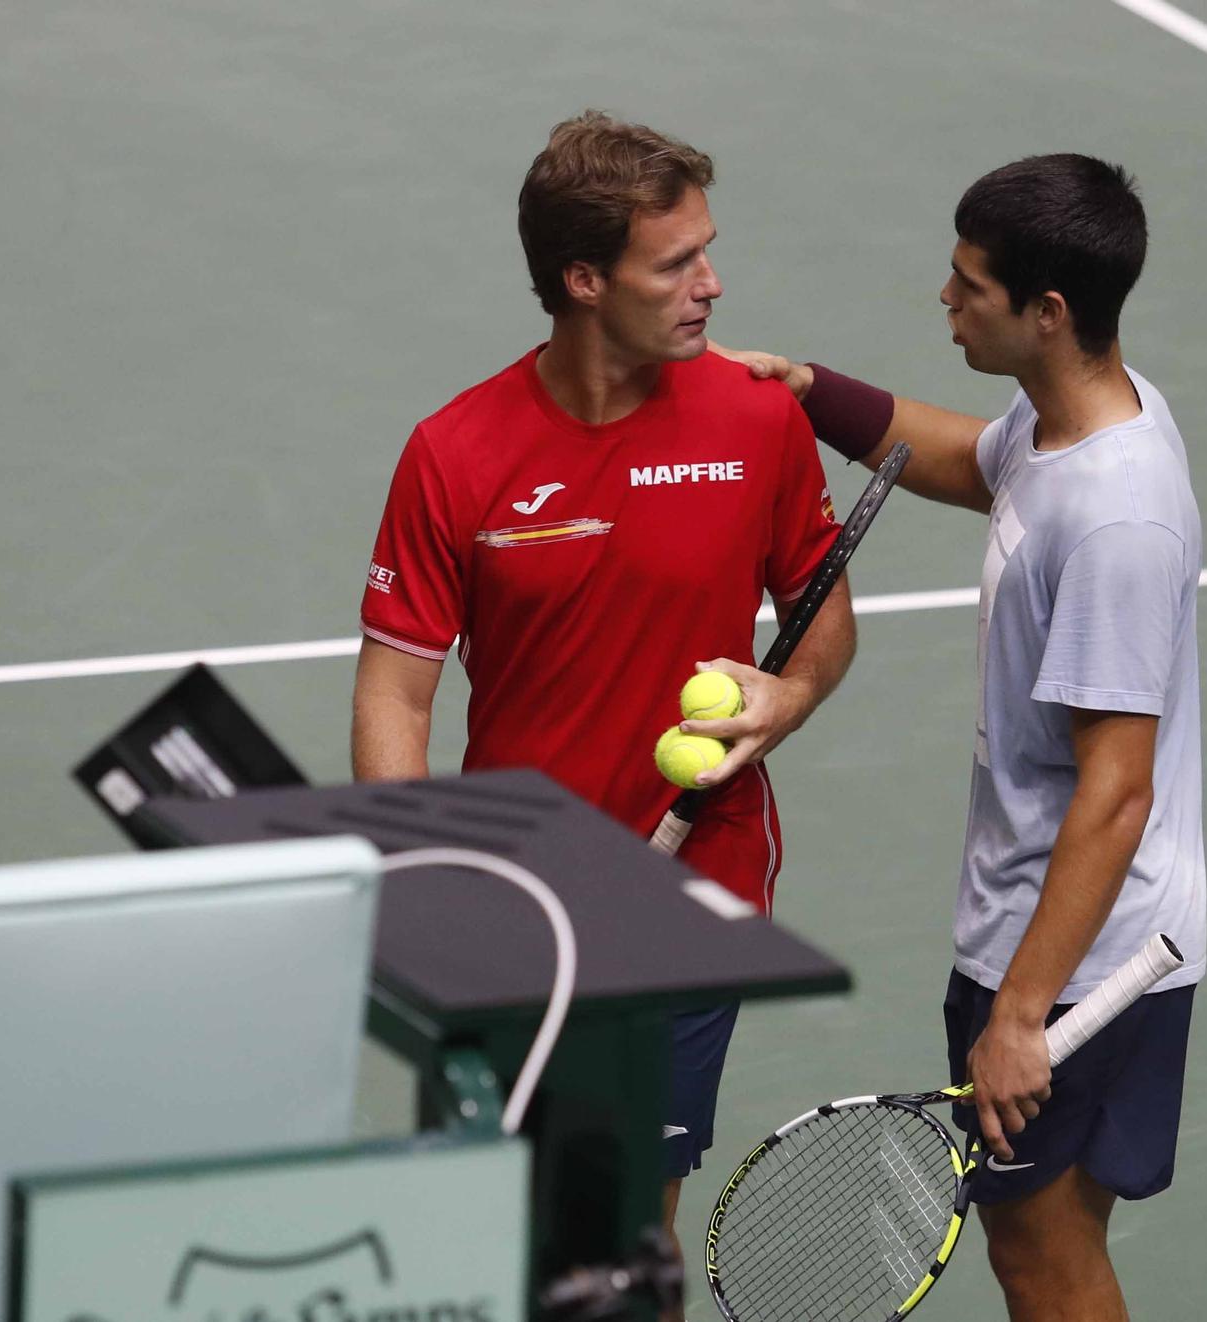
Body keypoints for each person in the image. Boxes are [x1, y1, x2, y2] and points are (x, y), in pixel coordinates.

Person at [351, 111, 856, 1263]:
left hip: (691, 889)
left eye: (707, 250)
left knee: (632, 1229)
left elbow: (821, 615)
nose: (712, 284)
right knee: (503, 1221)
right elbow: (397, 692)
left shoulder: (757, 417)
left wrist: (792, 695)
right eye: (675, 263)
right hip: (515, 899)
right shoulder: (457, 451)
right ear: (584, 279)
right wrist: (423, 881)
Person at [727, 153, 1204, 1322]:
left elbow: (1115, 793)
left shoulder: (1114, 520)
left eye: (967, 286)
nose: (945, 300)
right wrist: (805, 388)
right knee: (1032, 1250)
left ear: (1046, 311)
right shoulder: (1061, 425)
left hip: (1080, 954)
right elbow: (961, 458)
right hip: (1031, 926)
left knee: (1047, 1261)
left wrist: (1019, 1015)